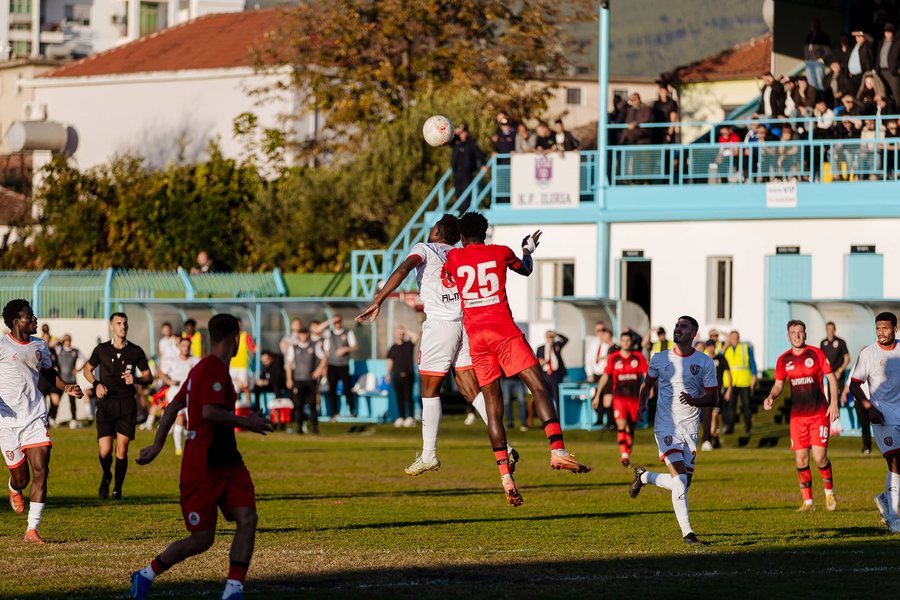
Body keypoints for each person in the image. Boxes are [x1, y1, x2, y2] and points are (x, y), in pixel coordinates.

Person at [443, 212, 590, 506]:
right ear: (485, 233)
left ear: (461, 236)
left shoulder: (454, 259)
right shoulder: (500, 252)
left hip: (477, 337)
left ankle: (506, 478)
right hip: (503, 330)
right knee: (539, 386)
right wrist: (527, 249)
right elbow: (525, 270)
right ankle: (557, 450)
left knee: (493, 408)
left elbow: (447, 282)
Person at [130, 313, 273, 600]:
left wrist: (158, 446)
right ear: (234, 338)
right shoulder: (211, 370)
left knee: (248, 518)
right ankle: (146, 573)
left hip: (228, 461)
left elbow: (172, 408)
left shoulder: (203, 369)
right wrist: (248, 422)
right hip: (203, 465)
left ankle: (233, 590)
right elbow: (209, 412)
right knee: (201, 539)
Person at [356, 214, 512, 475]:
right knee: (469, 387)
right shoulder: (458, 254)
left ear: (437, 230)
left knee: (430, 390)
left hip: (440, 325)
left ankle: (429, 455)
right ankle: (505, 447)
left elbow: (405, 268)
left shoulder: (424, 248)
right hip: (466, 323)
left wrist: (379, 299)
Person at [630, 316, 717, 544]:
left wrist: (694, 401)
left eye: (683, 327)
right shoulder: (659, 358)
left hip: (690, 430)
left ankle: (645, 476)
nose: (678, 329)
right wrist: (641, 404)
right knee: (679, 482)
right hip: (666, 426)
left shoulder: (705, 362)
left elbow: (712, 397)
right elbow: (647, 384)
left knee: (683, 483)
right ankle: (688, 534)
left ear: (694, 334)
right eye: (677, 326)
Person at [1, 299, 82, 543]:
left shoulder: (40, 345)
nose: (35, 319)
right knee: (22, 478)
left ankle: (32, 530)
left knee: (41, 470)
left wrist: (66, 386)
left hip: (35, 415)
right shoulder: (2, 345)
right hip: (6, 421)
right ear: (17, 321)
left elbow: (48, 372)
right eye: (30, 316)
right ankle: (15, 488)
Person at [763, 320, 840, 512]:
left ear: (805, 334)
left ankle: (829, 493)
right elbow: (779, 385)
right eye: (793, 332)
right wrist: (771, 396)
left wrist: (834, 403)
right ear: (788, 335)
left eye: (800, 332)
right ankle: (808, 502)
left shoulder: (816, 353)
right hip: (797, 417)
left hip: (819, 413)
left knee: (820, 457)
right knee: (801, 460)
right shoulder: (784, 359)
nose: (797, 335)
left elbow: (831, 378)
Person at [83, 313, 153, 501]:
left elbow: (149, 377)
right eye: (119, 323)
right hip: (106, 405)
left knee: (121, 449)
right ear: (111, 327)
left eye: (125, 323)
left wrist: (136, 379)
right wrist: (96, 384)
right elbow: (86, 370)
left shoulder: (136, 351)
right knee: (105, 451)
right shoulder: (102, 350)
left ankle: (117, 490)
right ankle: (106, 476)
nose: (123, 326)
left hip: (126, 405)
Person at [848, 312, 900, 532]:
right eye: (878, 328)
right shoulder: (869, 353)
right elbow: (854, 384)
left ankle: (885, 499)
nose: (881, 332)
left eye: (885, 328)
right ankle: (894, 518)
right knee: (896, 462)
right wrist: (869, 408)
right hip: (881, 415)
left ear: (895, 329)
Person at [593, 331, 647, 467]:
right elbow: (605, 376)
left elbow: (646, 374)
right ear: (621, 342)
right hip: (619, 398)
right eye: (623, 341)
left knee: (631, 428)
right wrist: (598, 394)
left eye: (628, 341)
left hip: (634, 398)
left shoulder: (638, 357)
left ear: (631, 342)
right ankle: (624, 455)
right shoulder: (614, 358)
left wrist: (649, 389)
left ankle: (627, 454)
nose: (626, 343)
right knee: (621, 425)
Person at [145, 337, 199, 456]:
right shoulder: (172, 360)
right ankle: (179, 449)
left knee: (192, 421)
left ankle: (191, 447)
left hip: (191, 392)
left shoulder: (195, 360)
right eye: (184, 345)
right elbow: (161, 373)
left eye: (188, 345)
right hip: (176, 391)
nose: (186, 348)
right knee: (179, 418)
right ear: (179, 346)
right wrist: (169, 382)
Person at [285, 327, 324, 435]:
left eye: (305, 333)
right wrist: (289, 379)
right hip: (298, 380)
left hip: (310, 380)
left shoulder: (314, 346)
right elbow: (289, 364)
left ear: (308, 335)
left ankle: (315, 427)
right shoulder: (294, 347)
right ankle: (299, 427)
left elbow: (324, 357)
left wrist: (319, 370)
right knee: (299, 404)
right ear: (298, 335)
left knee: (312, 404)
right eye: (301, 334)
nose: (303, 336)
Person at [322, 315, 358, 421]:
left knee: (347, 389)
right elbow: (317, 330)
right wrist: (330, 321)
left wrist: (345, 349)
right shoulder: (329, 333)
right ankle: (334, 413)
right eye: (335, 322)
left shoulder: (348, 332)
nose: (337, 323)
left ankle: (352, 411)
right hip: (332, 365)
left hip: (343, 365)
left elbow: (355, 347)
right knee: (332, 389)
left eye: (338, 321)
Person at [722, 330, 758, 435]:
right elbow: (718, 357)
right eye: (731, 337)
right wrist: (725, 345)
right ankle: (729, 427)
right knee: (730, 407)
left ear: (739, 338)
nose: (734, 339)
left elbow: (752, 362)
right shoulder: (725, 349)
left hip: (744, 381)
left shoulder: (745, 348)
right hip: (730, 383)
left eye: (735, 337)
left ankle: (748, 427)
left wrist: (754, 376)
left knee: (746, 406)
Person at [50, 334, 87, 428]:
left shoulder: (75, 351)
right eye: (66, 340)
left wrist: (78, 370)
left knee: (73, 401)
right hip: (61, 380)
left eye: (69, 340)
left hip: (71, 380)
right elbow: (51, 345)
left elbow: (86, 360)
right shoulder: (59, 350)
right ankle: (52, 418)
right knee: (56, 400)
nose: (67, 342)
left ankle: (73, 419)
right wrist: (60, 339)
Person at [701, 339, 730, 451]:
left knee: (715, 416)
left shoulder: (721, 359)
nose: (710, 348)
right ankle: (706, 440)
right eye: (708, 346)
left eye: (712, 346)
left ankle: (714, 437)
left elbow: (728, 373)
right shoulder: (703, 360)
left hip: (717, 393)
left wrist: (729, 389)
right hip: (706, 392)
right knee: (707, 416)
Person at [450, 123, 486, 213]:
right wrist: (454, 133)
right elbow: (447, 140)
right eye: (460, 132)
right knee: (458, 194)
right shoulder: (456, 142)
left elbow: (480, 154)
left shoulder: (471, 143)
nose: (462, 134)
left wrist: (483, 164)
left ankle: (464, 214)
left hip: (467, 173)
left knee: (466, 195)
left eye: (463, 132)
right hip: (457, 172)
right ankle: (460, 213)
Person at [387, 327, 417, 428]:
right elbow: (390, 361)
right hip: (396, 375)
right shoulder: (393, 347)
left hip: (408, 374)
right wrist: (387, 373)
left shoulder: (409, 344)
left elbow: (416, 336)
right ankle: (401, 417)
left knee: (408, 396)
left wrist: (406, 331)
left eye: (402, 333)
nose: (400, 335)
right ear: (395, 334)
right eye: (398, 333)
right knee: (399, 397)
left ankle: (410, 417)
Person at [536, 331, 568, 413]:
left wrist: (556, 334)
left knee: (557, 397)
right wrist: (540, 362)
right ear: (546, 337)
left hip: (555, 374)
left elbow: (566, 339)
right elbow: (537, 362)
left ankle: (559, 419)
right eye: (549, 337)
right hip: (545, 374)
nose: (550, 338)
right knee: (547, 397)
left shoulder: (556, 345)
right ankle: (550, 416)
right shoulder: (541, 348)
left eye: (552, 337)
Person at [229, 319, 255, 408]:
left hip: (242, 366)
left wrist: (255, 349)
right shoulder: (230, 337)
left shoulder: (245, 336)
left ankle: (248, 406)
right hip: (232, 366)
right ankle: (234, 407)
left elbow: (252, 348)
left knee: (245, 386)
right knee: (233, 387)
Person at [878, 23, 900, 102]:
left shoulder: (897, 42)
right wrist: (876, 70)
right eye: (886, 31)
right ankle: (888, 112)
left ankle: (898, 111)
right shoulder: (881, 42)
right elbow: (878, 57)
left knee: (896, 93)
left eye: (889, 32)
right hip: (881, 72)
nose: (887, 33)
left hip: (892, 71)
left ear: (893, 33)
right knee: (884, 93)